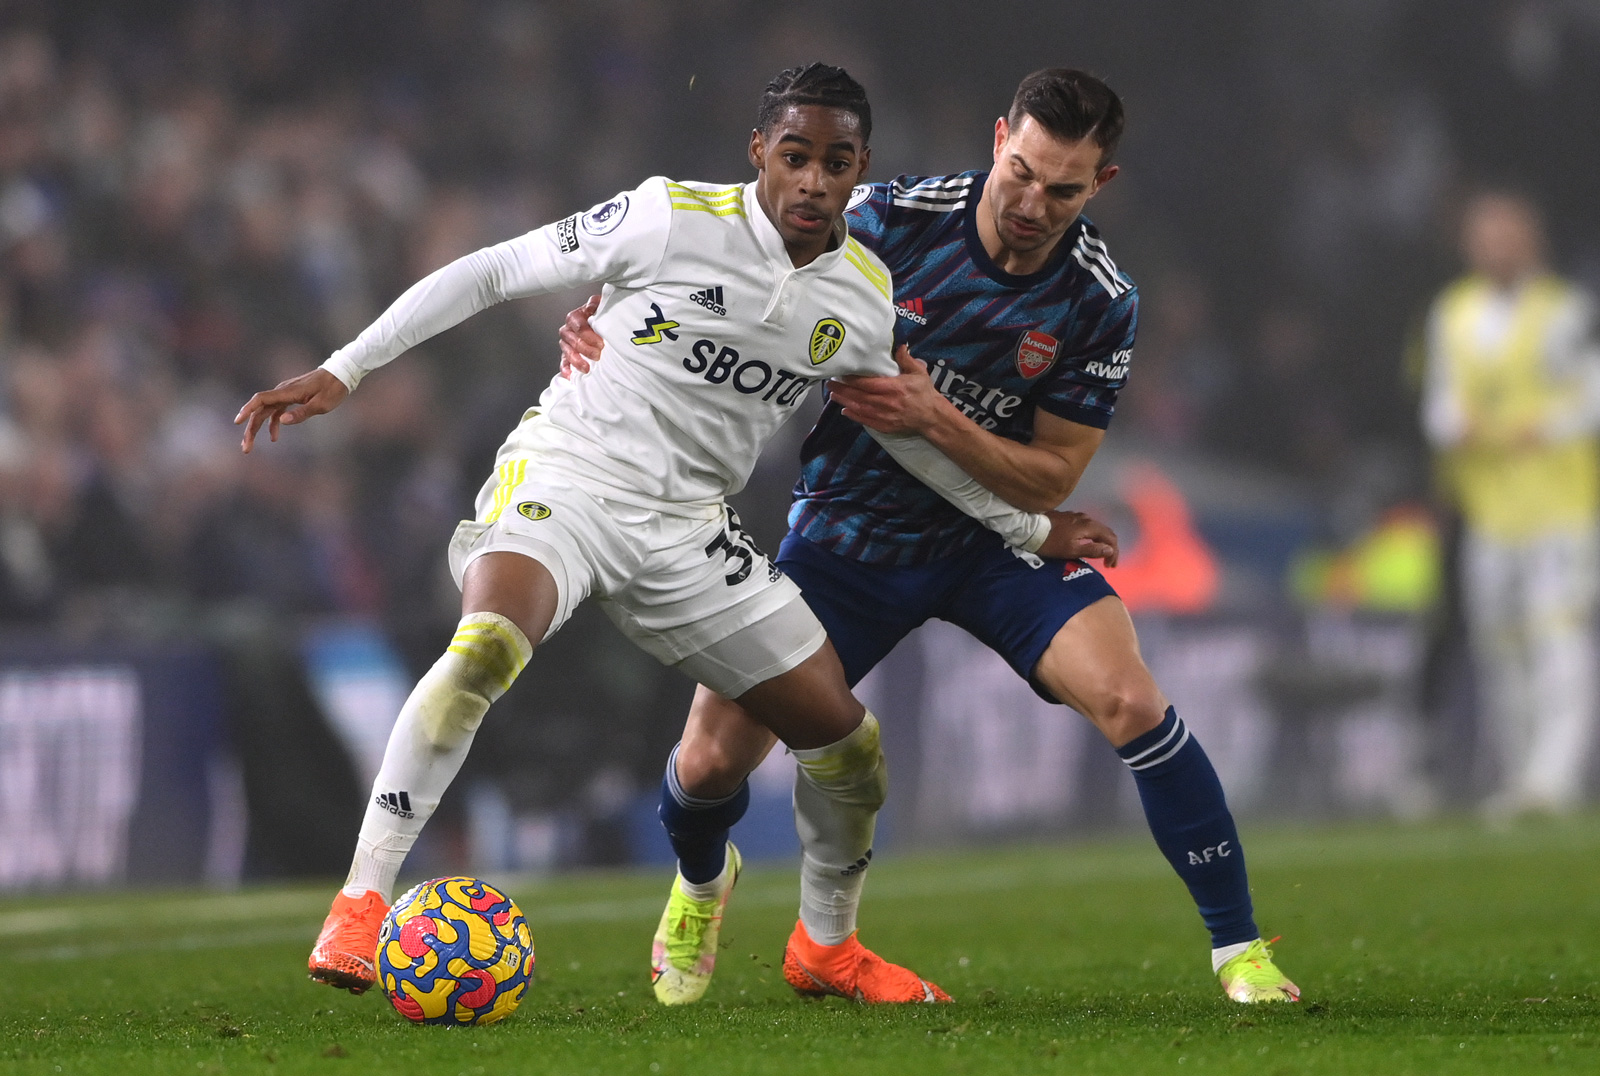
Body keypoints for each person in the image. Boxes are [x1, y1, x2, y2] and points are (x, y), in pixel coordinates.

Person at [236, 63, 1110, 1005]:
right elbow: (495, 270)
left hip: (690, 531)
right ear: (758, 154)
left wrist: (1029, 526)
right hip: (571, 477)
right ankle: (363, 899)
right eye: (795, 156)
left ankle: (825, 947)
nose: (814, 180)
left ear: (862, 169)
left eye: (837, 162)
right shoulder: (667, 217)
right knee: (487, 644)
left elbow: (906, 434)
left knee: (851, 750)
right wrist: (346, 369)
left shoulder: (860, 296)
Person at [562, 68, 1298, 1005]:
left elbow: (1053, 476)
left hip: (994, 545)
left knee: (1129, 698)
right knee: (708, 761)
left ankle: (1239, 952)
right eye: (1022, 172)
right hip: (846, 535)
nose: (1033, 202)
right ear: (999, 140)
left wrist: (932, 413)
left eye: (1063, 188)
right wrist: (603, 312)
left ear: (1100, 185)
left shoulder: (1099, 300)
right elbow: (727, 244)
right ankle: (702, 883)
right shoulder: (885, 220)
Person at [1421, 191, 1600, 818]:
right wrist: (1454, 426)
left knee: (1558, 636)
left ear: (1532, 239)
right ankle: (1522, 775)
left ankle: (1555, 778)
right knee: (1500, 645)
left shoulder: (1566, 312)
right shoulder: (1454, 313)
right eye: (1484, 234)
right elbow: (1439, 402)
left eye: (1507, 234)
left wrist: (1541, 427)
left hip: (1560, 507)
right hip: (1488, 508)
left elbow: (1592, 399)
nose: (1495, 246)